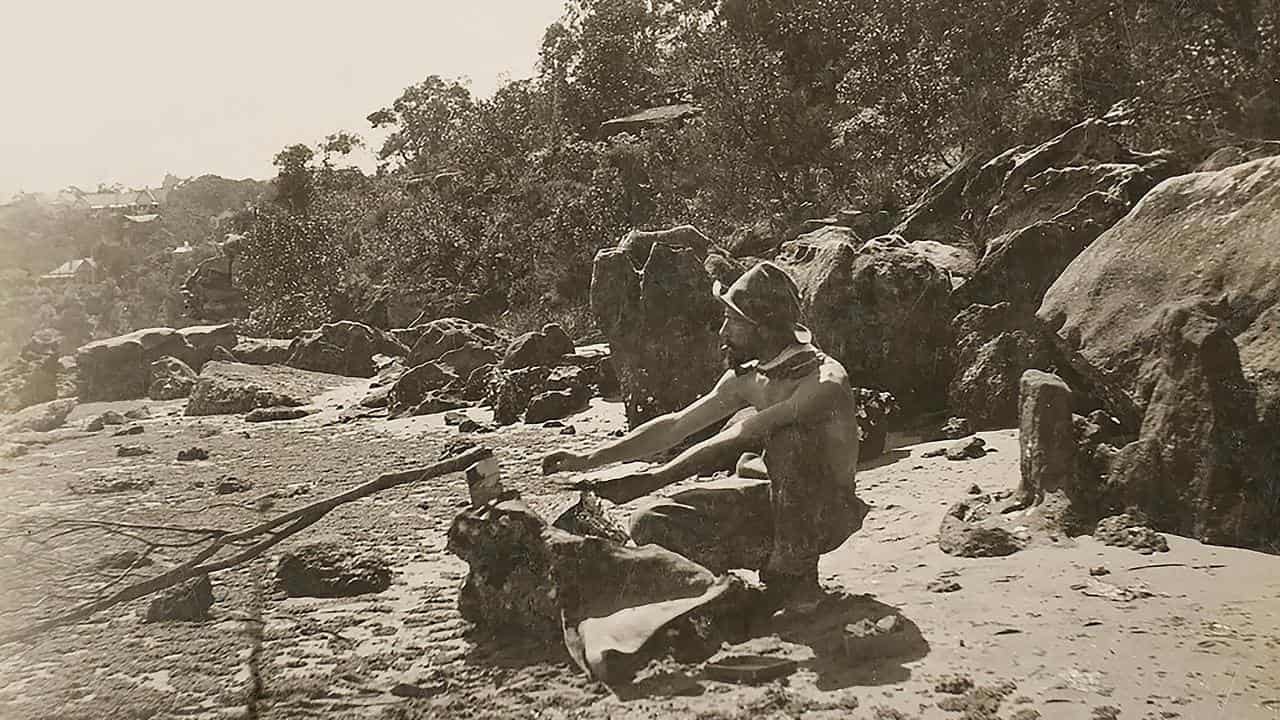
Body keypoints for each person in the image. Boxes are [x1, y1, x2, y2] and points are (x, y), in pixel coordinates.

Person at [542, 261, 867, 607]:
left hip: (827, 514)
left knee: (788, 443)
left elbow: (745, 433)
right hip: (774, 504)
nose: (722, 333)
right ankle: (730, 591)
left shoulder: (823, 381)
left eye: (734, 322)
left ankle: (794, 577)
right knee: (650, 522)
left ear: (765, 329)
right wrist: (590, 459)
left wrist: (654, 478)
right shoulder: (750, 377)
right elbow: (677, 425)